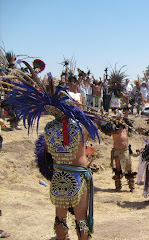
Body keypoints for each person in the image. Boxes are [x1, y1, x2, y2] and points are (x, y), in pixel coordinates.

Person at [5, 64, 100, 240]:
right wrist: (80, 108)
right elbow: (94, 124)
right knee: (81, 220)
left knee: (60, 218)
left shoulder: (49, 129)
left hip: (59, 178)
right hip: (78, 178)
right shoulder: (80, 126)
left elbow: (47, 151)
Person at [110, 111, 136, 192]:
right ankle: (118, 186)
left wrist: (126, 109)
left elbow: (126, 116)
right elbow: (115, 130)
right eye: (119, 117)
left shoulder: (125, 126)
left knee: (129, 168)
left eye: (121, 117)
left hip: (125, 150)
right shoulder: (114, 127)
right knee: (118, 168)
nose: (120, 118)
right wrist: (116, 121)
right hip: (117, 150)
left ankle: (131, 187)